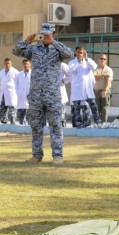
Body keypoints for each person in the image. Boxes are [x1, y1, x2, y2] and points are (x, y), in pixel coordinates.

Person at [12, 22, 74, 164]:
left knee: (56, 125)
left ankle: (58, 156)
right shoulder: (33, 49)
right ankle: (36, 155)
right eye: (43, 34)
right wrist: (27, 41)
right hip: (36, 96)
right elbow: (16, 51)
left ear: (53, 34)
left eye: (48, 34)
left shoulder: (57, 50)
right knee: (36, 126)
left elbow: (69, 54)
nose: (44, 37)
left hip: (52, 95)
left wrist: (54, 42)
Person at [69, 46, 101, 127]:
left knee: (93, 107)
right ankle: (78, 125)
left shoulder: (88, 61)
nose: (81, 54)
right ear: (76, 52)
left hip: (87, 90)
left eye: (82, 52)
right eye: (79, 52)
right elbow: (71, 70)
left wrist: (86, 59)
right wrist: (78, 61)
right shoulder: (72, 62)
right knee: (77, 109)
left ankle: (98, 122)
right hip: (77, 91)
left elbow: (94, 67)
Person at [94, 54, 113, 123]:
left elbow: (108, 81)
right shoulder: (95, 69)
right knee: (96, 108)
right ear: (98, 59)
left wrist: (105, 90)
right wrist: (103, 75)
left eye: (104, 59)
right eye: (101, 58)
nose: (102, 60)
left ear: (106, 61)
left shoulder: (108, 69)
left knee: (104, 109)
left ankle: (104, 123)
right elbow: (94, 78)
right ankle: (97, 124)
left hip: (105, 91)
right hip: (96, 91)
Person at [0, 58, 19, 124]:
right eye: (6, 63)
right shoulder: (1, 72)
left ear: (11, 64)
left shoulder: (15, 72)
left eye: (8, 63)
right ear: (4, 64)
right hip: (3, 94)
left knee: (12, 110)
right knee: (2, 110)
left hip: (12, 94)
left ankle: (13, 124)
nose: (7, 65)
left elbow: (19, 83)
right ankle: (3, 123)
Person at [16, 59, 31, 125]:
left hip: (30, 96)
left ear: (30, 65)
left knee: (29, 114)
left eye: (27, 64)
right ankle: (21, 124)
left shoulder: (33, 74)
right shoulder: (19, 74)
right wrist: (18, 92)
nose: (25, 65)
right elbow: (16, 84)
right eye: (24, 64)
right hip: (21, 96)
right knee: (20, 116)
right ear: (22, 65)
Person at [59, 62, 71, 127]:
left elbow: (70, 74)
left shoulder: (63, 65)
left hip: (61, 92)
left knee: (61, 113)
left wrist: (63, 80)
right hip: (51, 94)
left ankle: (62, 127)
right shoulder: (49, 64)